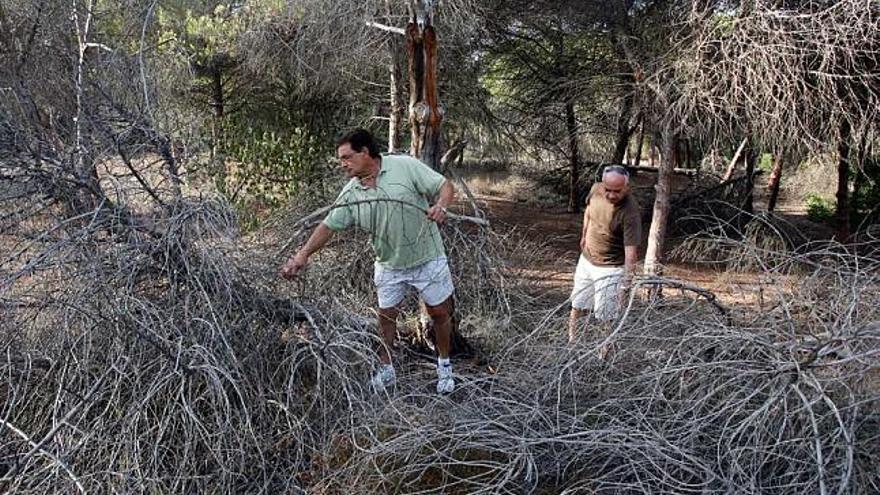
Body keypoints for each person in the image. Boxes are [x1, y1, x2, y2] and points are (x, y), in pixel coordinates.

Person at [280, 128, 457, 394]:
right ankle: (386, 368)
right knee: (386, 317)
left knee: (440, 313)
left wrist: (441, 206)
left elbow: (444, 186)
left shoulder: (404, 167)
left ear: (365, 152)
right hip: (388, 264)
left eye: (347, 157)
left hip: (427, 258)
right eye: (341, 160)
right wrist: (303, 255)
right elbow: (329, 225)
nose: (343, 165)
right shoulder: (351, 193)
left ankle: (444, 367)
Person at [569, 165, 642, 345]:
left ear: (627, 188)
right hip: (586, 260)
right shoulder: (596, 189)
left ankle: (604, 357)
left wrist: (626, 286)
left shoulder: (630, 212)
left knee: (606, 318)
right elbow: (588, 210)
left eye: (616, 191)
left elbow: (631, 253)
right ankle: (573, 345)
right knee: (578, 305)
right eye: (607, 189)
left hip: (610, 269)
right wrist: (584, 235)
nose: (610, 195)